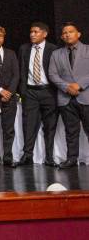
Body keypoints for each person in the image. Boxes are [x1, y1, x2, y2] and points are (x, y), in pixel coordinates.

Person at [17, 22, 59, 167]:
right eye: (31, 32)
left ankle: (49, 157)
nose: (32, 34)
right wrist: (23, 91)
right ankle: (27, 155)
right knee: (29, 125)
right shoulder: (24, 48)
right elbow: (21, 71)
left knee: (49, 126)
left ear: (44, 34)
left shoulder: (53, 49)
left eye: (35, 32)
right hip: (30, 92)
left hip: (48, 91)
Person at [48, 22, 89, 169]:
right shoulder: (56, 53)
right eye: (64, 32)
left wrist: (79, 85)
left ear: (78, 34)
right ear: (61, 36)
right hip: (66, 98)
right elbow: (52, 74)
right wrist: (67, 87)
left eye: (71, 31)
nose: (67, 34)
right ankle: (72, 159)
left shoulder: (87, 50)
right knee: (71, 131)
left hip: (85, 96)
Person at [0, 26, 20, 167]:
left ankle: (8, 157)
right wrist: (0, 90)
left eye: (1, 35)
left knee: (8, 128)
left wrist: (9, 92)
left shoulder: (11, 53)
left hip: (9, 96)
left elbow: (16, 75)